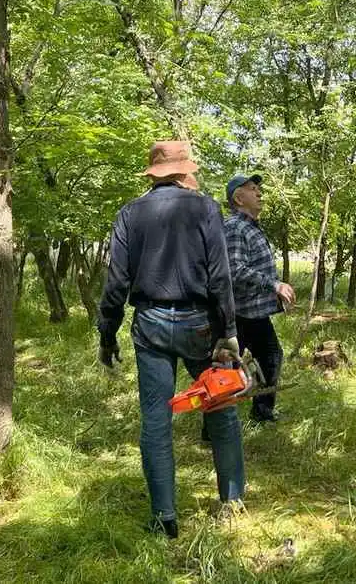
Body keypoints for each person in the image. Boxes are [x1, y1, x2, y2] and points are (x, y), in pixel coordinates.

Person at [97, 140, 244, 540]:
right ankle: (231, 502)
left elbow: (116, 284)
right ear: (183, 171)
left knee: (156, 422)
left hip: (151, 324)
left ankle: (164, 517)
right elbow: (220, 275)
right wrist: (228, 332)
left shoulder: (129, 214)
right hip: (201, 325)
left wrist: (106, 334)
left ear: (154, 172)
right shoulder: (205, 207)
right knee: (220, 408)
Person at [222, 173, 295, 423]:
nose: (259, 193)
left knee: (270, 357)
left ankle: (261, 413)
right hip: (237, 314)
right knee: (227, 370)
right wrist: (274, 285)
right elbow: (235, 270)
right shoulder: (234, 227)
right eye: (253, 189)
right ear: (239, 198)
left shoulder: (250, 226)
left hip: (253, 313)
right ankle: (218, 425)